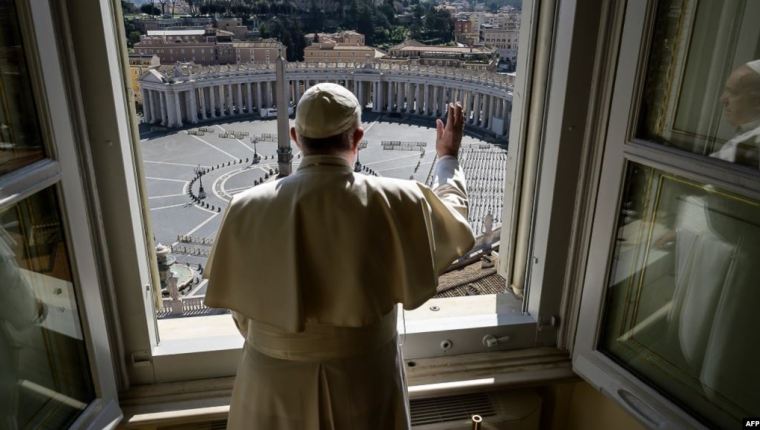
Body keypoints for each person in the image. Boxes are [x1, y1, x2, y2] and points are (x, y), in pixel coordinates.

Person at [203, 83, 474, 429]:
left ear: (295, 137)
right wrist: (448, 157)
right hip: (363, 380)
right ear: (358, 137)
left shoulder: (243, 208)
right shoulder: (399, 199)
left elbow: (241, 312)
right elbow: (454, 216)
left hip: (271, 383)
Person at [711, 59, 760, 168]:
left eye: (732, 92)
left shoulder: (752, 145)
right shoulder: (747, 135)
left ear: (758, 101)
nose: (722, 99)